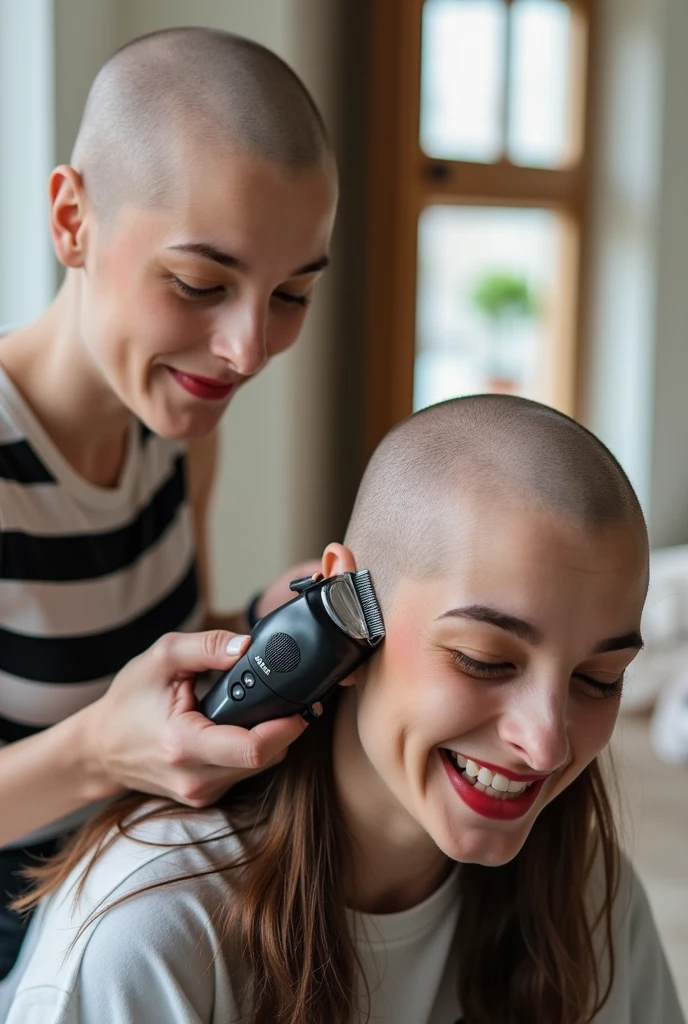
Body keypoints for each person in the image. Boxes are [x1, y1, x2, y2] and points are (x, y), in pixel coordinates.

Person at [5, 396, 685, 1024]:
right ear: (350, 614)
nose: (545, 745)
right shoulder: (149, 935)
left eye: (599, 678)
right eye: (486, 660)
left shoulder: (589, 895)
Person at [0, 26, 338, 976]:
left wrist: (260, 631)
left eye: (291, 295)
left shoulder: (175, 435)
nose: (246, 349)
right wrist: (104, 754)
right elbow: (108, 729)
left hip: (126, 898)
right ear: (72, 220)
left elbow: (149, 652)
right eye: (200, 283)